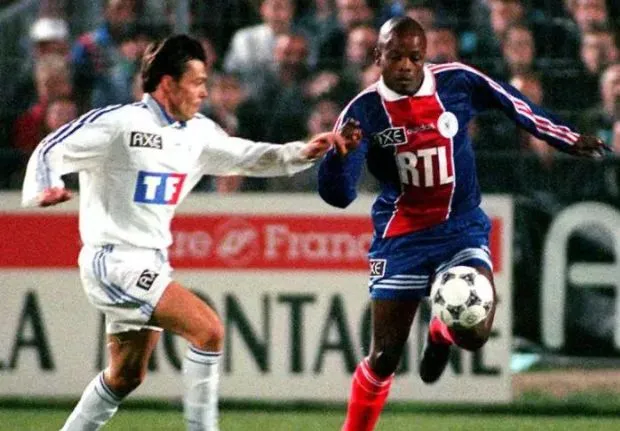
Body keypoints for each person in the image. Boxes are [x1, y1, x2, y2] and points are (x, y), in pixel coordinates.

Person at [21, 34, 354, 431]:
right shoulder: (119, 123)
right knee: (208, 330)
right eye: (196, 82)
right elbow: (51, 147)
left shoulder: (198, 133)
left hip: (151, 262)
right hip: (113, 260)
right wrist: (46, 185)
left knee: (125, 375)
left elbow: (248, 156)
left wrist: (302, 151)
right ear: (168, 84)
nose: (204, 92)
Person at [317, 17, 606, 431]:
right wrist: (338, 159)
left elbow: (513, 102)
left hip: (460, 228)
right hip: (401, 238)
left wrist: (565, 137)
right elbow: (338, 195)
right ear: (378, 56)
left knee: (475, 333)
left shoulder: (457, 81)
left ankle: (441, 330)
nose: (405, 66)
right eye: (395, 56)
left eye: (414, 57)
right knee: (384, 357)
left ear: (425, 57)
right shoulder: (361, 112)